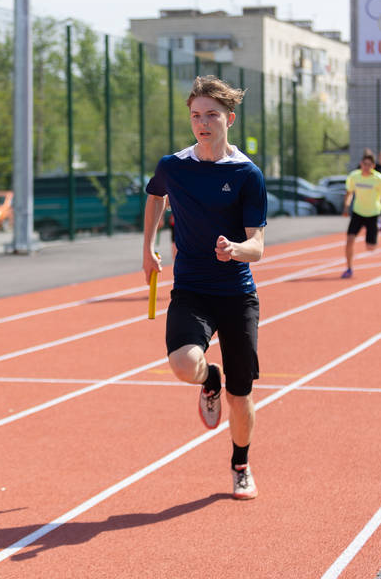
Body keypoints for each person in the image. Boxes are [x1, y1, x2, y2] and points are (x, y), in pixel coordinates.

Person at [142, 75, 267, 500]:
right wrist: (148, 247)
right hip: (192, 289)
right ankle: (208, 377)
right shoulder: (173, 165)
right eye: (196, 115)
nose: (203, 122)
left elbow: (258, 247)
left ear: (229, 119)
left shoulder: (247, 174)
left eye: (212, 114)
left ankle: (240, 464)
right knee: (182, 364)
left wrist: (236, 248)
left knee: (241, 394)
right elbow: (156, 196)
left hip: (236, 294)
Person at [341, 150, 381, 279]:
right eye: (364, 164)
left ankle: (375, 233)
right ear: (361, 164)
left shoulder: (379, 179)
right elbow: (349, 192)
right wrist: (346, 206)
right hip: (358, 213)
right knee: (349, 240)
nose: (366, 167)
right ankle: (349, 268)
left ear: (373, 166)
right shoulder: (354, 177)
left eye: (369, 164)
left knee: (370, 248)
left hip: (373, 214)